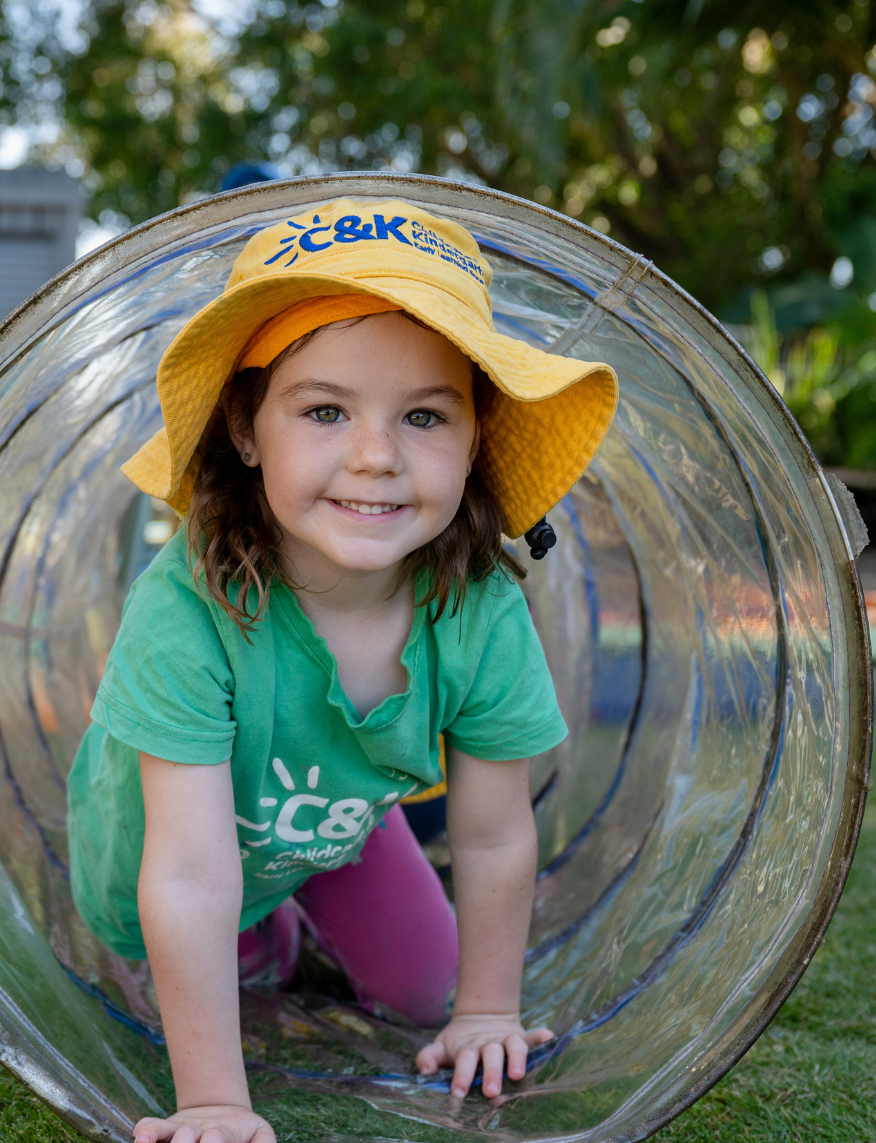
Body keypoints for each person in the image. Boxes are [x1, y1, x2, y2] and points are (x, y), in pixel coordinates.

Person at [66, 197, 618, 1143]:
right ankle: (272, 938)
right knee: (241, 978)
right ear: (247, 429)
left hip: (338, 824)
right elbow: (192, 874)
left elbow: (490, 837)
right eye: (325, 409)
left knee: (423, 989)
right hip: (173, 853)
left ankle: (311, 917)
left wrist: (484, 1009)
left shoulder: (480, 609)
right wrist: (213, 1104)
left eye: (423, 416)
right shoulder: (190, 607)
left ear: (475, 437)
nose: (375, 456)